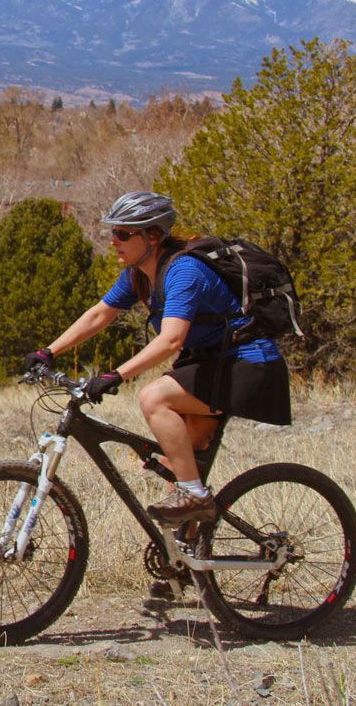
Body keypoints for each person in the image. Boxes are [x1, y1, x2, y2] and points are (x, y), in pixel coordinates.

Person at [24, 191, 291, 525]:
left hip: (247, 364)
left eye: (123, 234)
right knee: (175, 465)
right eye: (113, 232)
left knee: (153, 398)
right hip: (209, 364)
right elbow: (101, 314)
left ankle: (195, 495)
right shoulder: (138, 274)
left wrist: (115, 375)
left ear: (152, 236)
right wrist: (48, 351)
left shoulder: (185, 271)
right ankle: (182, 552)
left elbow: (171, 340)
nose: (113, 241)